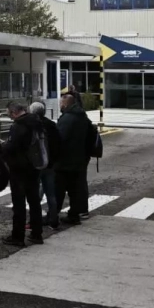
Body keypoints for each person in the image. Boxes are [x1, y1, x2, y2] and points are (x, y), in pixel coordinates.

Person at [2, 101, 45, 246]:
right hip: (34, 166)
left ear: (14, 112)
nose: (9, 116)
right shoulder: (36, 122)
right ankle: (37, 233)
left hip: (19, 169)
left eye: (9, 113)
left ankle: (17, 236)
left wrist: (3, 147)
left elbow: (12, 147)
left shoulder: (19, 126)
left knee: (19, 204)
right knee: (34, 202)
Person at [55, 93, 91, 227]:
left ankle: (53, 215)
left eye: (61, 103)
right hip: (80, 159)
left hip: (65, 161)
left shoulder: (67, 118)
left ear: (65, 104)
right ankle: (74, 215)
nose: (60, 105)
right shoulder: (83, 117)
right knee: (75, 190)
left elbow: (59, 139)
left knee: (58, 189)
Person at [30, 102, 62, 227]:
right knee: (50, 194)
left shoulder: (32, 125)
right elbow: (58, 144)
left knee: (34, 194)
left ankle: (34, 220)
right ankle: (53, 220)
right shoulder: (51, 125)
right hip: (49, 164)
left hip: (36, 165)